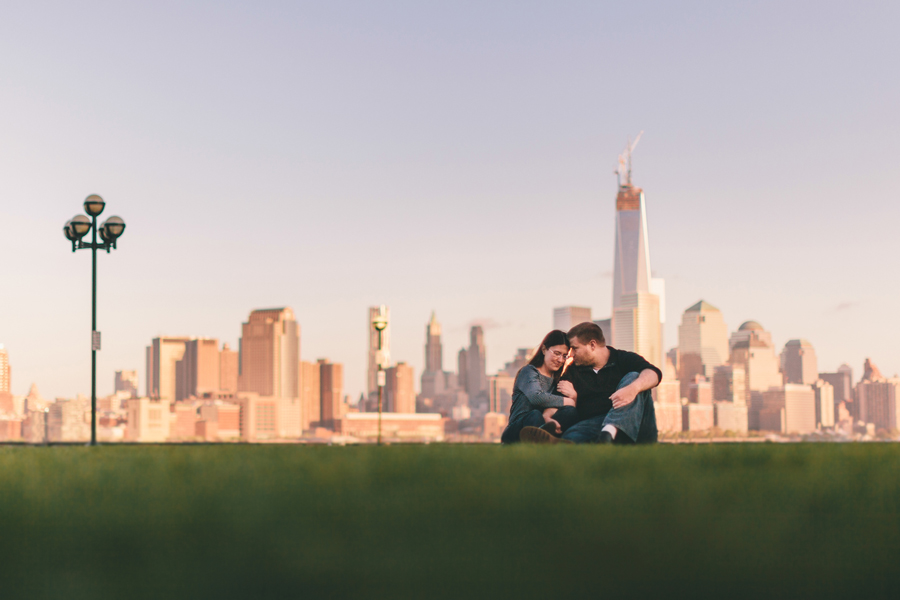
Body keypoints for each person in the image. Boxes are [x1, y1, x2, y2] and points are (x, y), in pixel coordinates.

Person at [520, 321, 660, 444]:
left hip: (636, 424)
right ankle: (599, 438)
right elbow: (558, 398)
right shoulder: (574, 370)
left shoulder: (622, 359)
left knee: (635, 376)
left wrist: (633, 389)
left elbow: (654, 374)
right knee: (572, 437)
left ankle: (610, 430)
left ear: (592, 345)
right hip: (594, 424)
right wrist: (547, 416)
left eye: (575, 349)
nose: (571, 355)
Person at [500, 330, 577, 444]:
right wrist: (569, 401)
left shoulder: (558, 380)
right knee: (535, 415)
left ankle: (547, 439)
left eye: (564, 356)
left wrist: (548, 417)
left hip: (544, 424)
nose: (560, 360)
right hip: (516, 431)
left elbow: (556, 405)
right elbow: (536, 397)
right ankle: (549, 440)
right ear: (544, 349)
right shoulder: (528, 372)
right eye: (557, 353)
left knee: (570, 411)